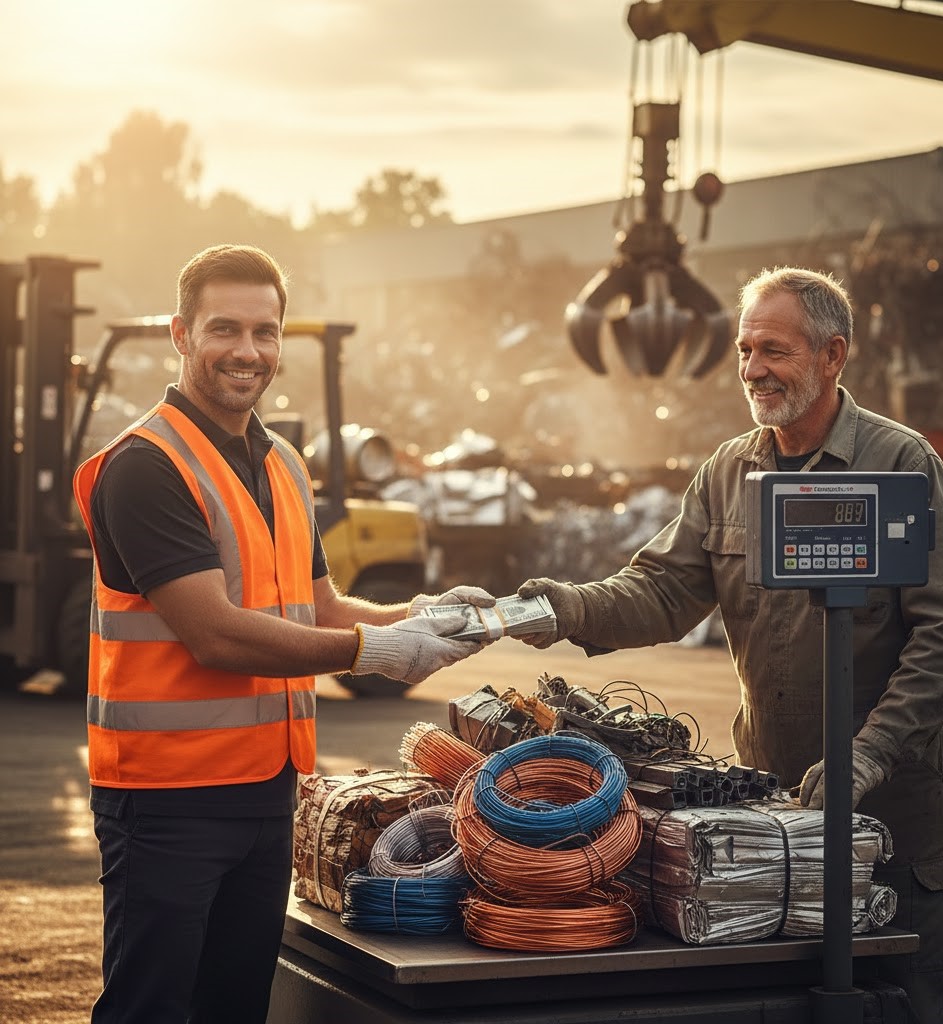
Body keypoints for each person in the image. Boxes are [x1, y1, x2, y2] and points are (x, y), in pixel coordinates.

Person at [72, 243, 493, 1024]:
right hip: (167, 802)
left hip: (267, 793)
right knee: (151, 1008)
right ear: (181, 334)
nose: (247, 351)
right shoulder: (145, 466)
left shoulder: (283, 466)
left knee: (233, 1004)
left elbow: (324, 609)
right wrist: (375, 653)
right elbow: (218, 637)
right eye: (224, 329)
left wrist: (421, 615)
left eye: (265, 332)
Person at [517, 266, 943, 1022]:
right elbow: (660, 591)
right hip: (773, 815)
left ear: (831, 355)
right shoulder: (728, 471)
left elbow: (938, 637)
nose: (752, 370)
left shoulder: (899, 464)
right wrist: (558, 608)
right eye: (746, 350)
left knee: (897, 998)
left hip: (896, 828)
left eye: (773, 351)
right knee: (783, 999)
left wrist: (869, 752)